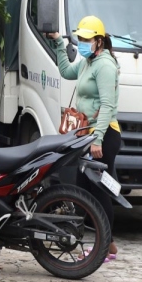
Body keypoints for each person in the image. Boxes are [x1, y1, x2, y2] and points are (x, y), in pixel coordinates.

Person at [47, 15, 122, 260]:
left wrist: (98, 139)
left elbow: (108, 105)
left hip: (104, 135)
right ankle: (106, 244)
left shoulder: (105, 66)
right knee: (86, 189)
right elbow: (67, 72)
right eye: (80, 38)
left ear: (99, 41)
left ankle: (105, 246)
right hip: (87, 134)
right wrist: (59, 43)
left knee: (99, 191)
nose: (82, 42)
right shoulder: (88, 62)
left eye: (87, 39)